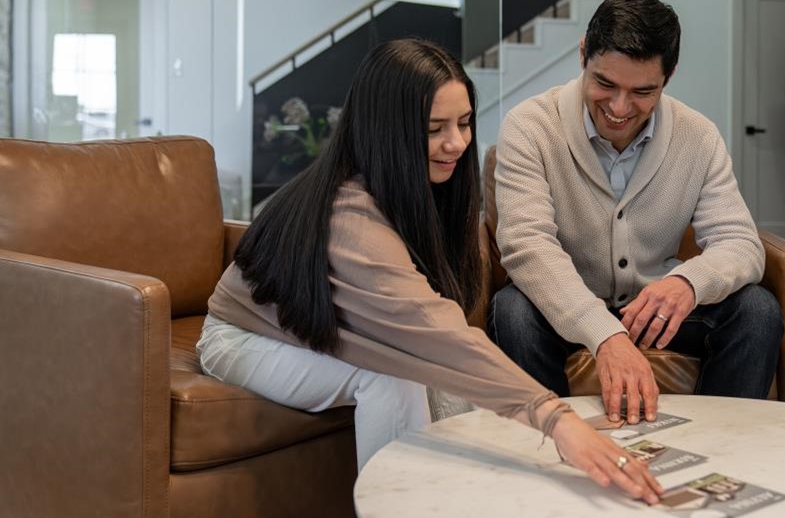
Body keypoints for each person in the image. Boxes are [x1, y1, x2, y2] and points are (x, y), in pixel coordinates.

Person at [196, 38, 664, 502]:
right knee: (395, 377)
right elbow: (439, 336)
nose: (456, 143)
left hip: (325, 330)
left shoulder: (424, 185)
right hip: (244, 339)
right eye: (435, 127)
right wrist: (557, 422)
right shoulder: (351, 217)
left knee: (430, 379)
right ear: (386, 130)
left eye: (463, 123)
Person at [489, 0, 784, 427]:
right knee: (512, 310)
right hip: (565, 306)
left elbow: (741, 243)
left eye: (643, 91)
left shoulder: (698, 136)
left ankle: (720, 449)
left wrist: (688, 282)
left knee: (757, 311)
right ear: (583, 54)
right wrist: (605, 335)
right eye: (605, 84)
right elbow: (527, 246)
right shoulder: (530, 126)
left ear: (669, 76)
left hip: (656, 311)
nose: (620, 108)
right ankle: (551, 450)